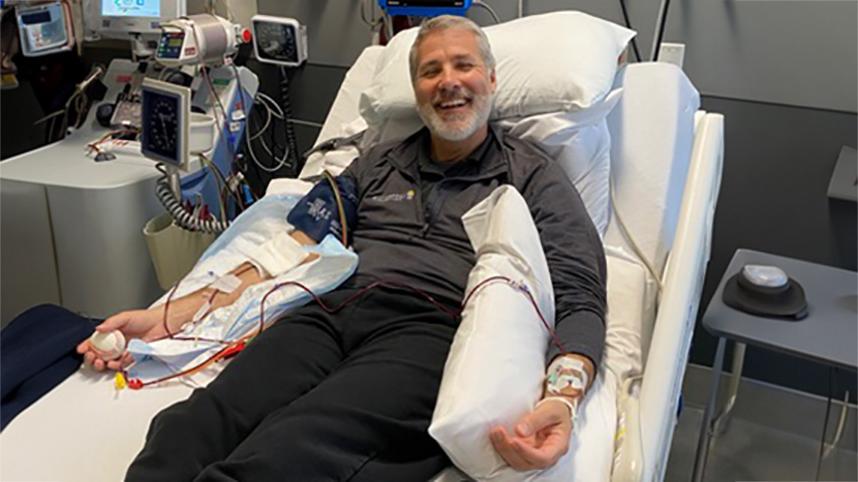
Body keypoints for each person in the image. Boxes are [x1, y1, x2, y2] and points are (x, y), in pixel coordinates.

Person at [77, 15, 606, 481]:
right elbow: (290, 249)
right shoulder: (376, 164)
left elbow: (579, 290)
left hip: (429, 328)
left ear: (491, 79)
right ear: (416, 90)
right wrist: (170, 314)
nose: (448, 83)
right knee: (190, 428)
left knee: (293, 447)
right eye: (430, 71)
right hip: (329, 311)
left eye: (463, 65)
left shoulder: (534, 175)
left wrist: (563, 392)